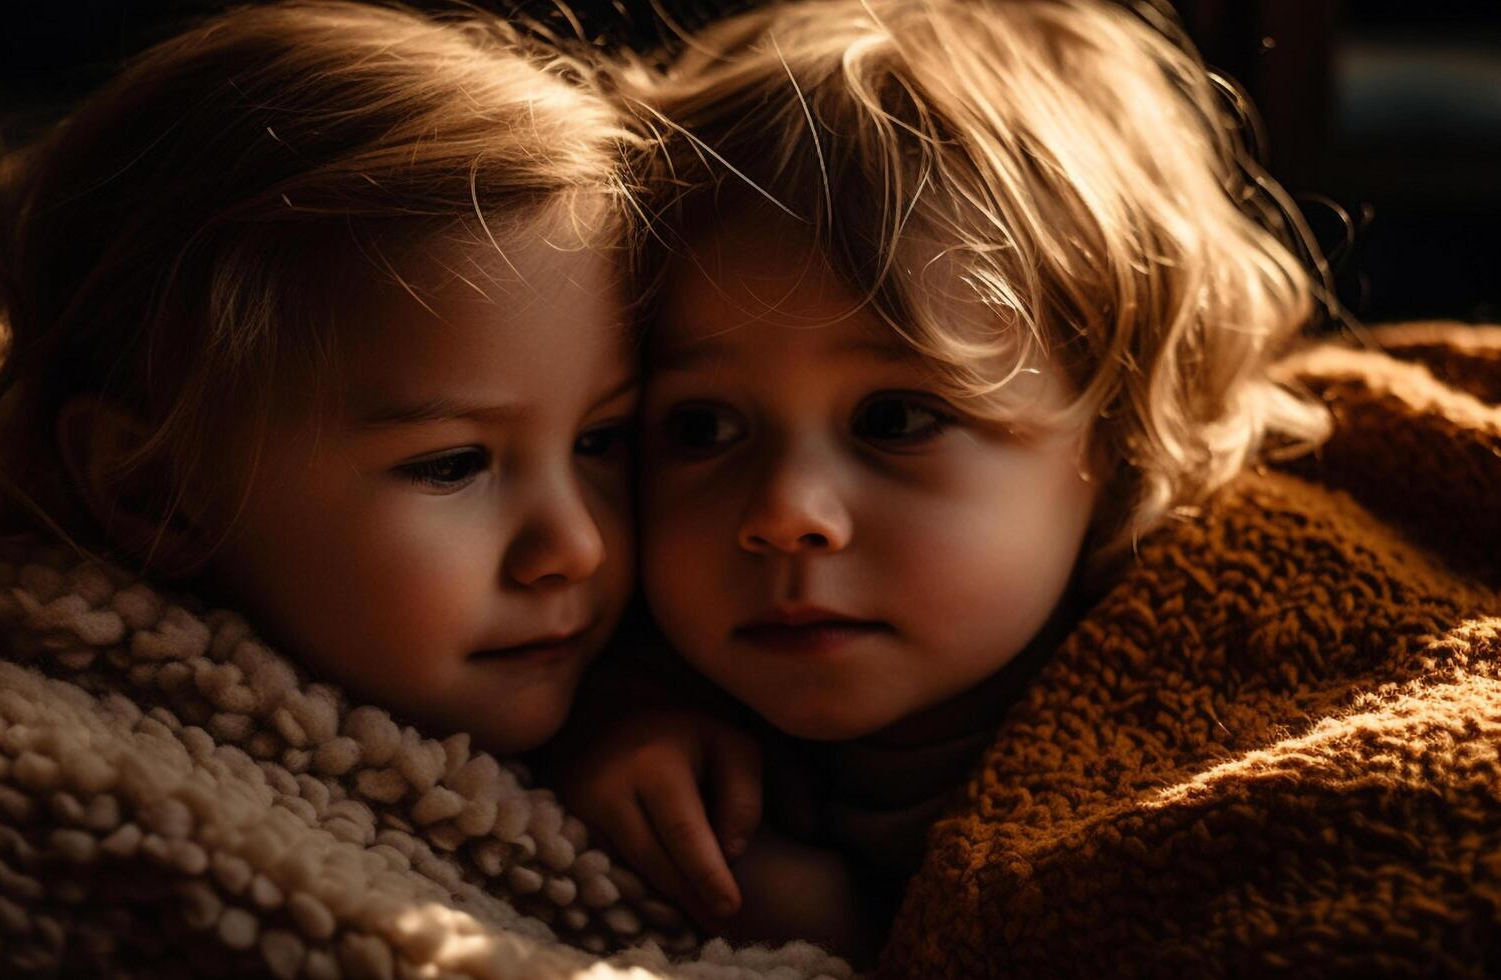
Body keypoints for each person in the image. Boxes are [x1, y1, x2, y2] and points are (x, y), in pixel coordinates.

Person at [555, 0, 1337, 959]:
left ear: (1122, 429)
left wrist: (851, 932)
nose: (784, 516)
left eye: (893, 420)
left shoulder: (1227, 698)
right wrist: (610, 736)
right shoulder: (619, 677)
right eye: (701, 426)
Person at [0, 0, 645, 755]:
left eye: (601, 440)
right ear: (151, 485)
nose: (575, 547)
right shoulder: (18, 767)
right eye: (452, 463)